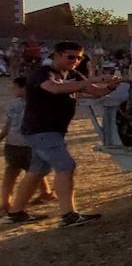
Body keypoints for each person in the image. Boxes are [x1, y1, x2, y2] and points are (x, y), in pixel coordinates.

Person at [7, 42, 121, 227]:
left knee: (37, 171)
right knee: (66, 166)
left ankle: (16, 212)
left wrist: (112, 86)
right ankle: (69, 215)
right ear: (57, 55)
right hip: (41, 130)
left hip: (50, 131)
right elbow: (55, 88)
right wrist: (93, 79)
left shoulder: (73, 75)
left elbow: (95, 92)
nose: (75, 61)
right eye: (70, 57)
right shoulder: (43, 73)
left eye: (78, 58)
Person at [2, 77, 55, 213]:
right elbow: (8, 126)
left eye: (15, 87)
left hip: (25, 143)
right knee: (31, 171)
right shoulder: (16, 104)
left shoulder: (38, 103)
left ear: (24, 88)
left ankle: (8, 203)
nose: (13, 90)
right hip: (18, 143)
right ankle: (45, 192)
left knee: (25, 172)